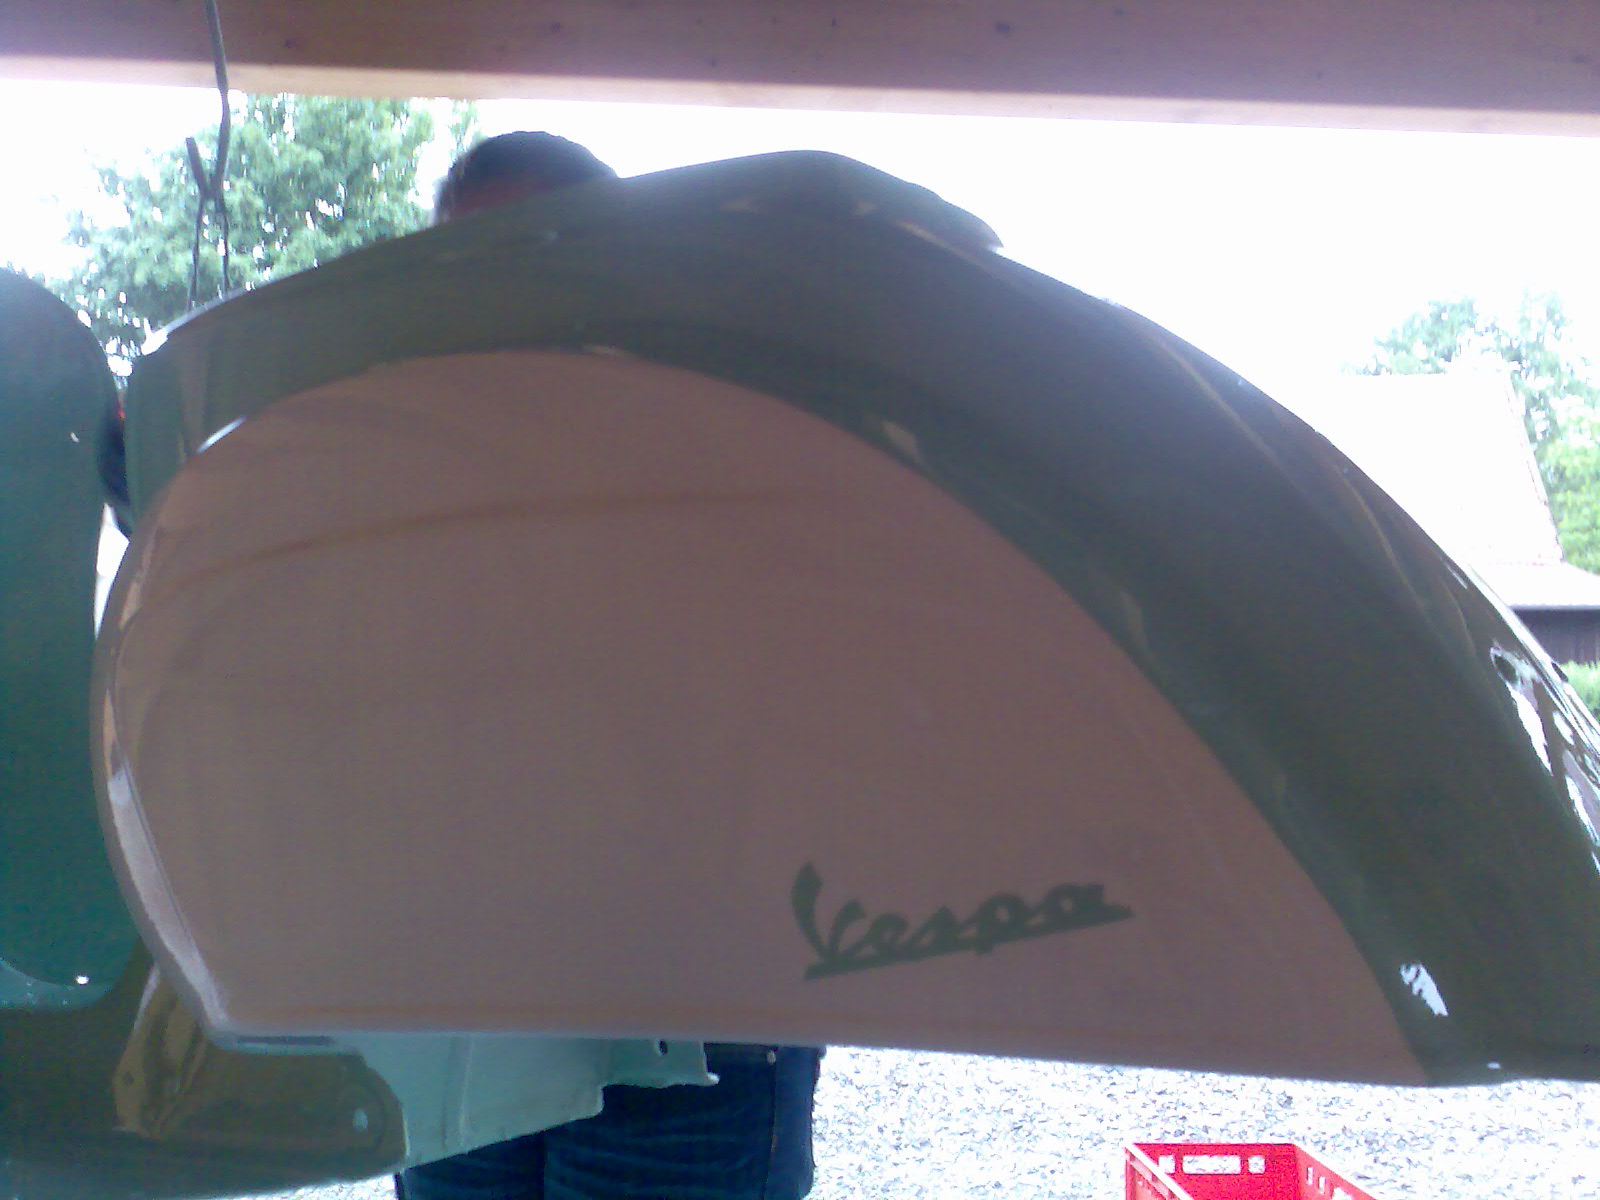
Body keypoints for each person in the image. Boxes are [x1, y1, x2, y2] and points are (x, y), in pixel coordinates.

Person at [394, 132, 824, 1200]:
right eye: (468, 261)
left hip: (693, 1042)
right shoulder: (410, 463)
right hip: (457, 1031)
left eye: (536, 249)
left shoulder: (734, 438)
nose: (501, 290)